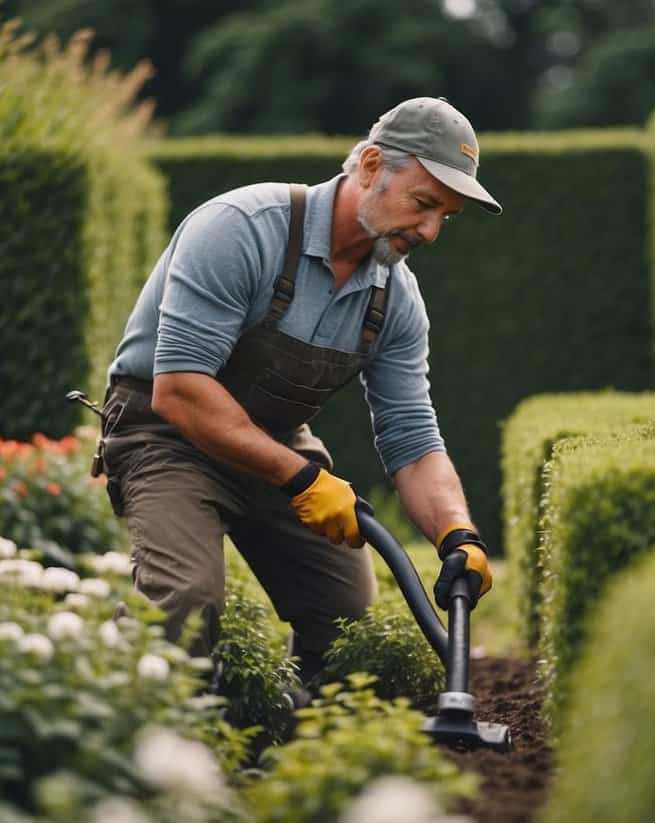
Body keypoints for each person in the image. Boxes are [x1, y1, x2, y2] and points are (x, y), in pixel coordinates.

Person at [98, 97, 501, 684]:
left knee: (351, 626)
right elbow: (179, 390)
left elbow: (413, 440)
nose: (432, 230)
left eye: (447, 215)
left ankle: (287, 738)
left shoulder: (395, 301)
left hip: (275, 443)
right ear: (369, 167)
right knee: (183, 600)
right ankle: (136, 738)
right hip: (168, 439)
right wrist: (302, 476)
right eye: (424, 203)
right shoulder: (242, 230)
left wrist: (457, 535)